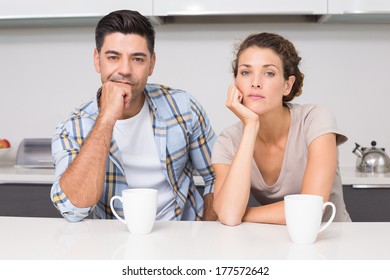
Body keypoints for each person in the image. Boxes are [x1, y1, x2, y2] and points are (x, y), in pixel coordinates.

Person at [50, 10, 217, 222]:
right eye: (113, 57)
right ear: (97, 60)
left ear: (151, 64)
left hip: (182, 238)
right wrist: (107, 117)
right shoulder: (72, 127)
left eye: (137, 59)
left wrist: (207, 231)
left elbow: (217, 177)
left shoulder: (183, 107)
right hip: (113, 245)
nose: (125, 70)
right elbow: (72, 209)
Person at [212, 32, 351, 226]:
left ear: (287, 85)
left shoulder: (315, 119)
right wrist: (251, 126)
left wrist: (240, 213)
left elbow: (310, 210)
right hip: (275, 242)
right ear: (235, 82)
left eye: (269, 73)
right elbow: (227, 215)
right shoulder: (228, 140)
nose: (255, 82)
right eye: (245, 72)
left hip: (331, 241)